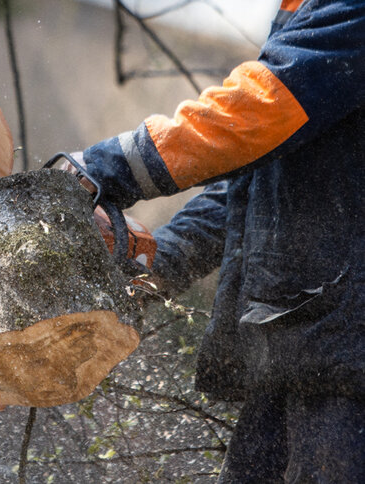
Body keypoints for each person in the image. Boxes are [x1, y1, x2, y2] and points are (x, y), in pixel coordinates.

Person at [71, 0, 364, 481]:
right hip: (302, 343)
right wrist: (162, 260)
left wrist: (105, 171)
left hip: (345, 357)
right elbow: (263, 176)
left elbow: (265, 108)